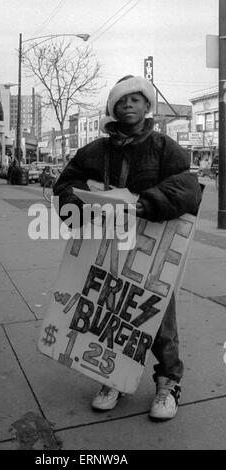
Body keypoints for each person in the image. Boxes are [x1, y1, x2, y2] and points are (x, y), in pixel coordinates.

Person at [53, 75, 202, 421]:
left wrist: (146, 204)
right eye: (122, 101)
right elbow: (66, 185)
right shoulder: (93, 151)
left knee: (159, 316)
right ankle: (112, 377)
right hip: (106, 249)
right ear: (112, 108)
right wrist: (83, 203)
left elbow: (187, 188)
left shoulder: (165, 148)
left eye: (136, 99)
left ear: (148, 106)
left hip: (152, 250)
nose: (129, 105)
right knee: (108, 313)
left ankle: (168, 383)